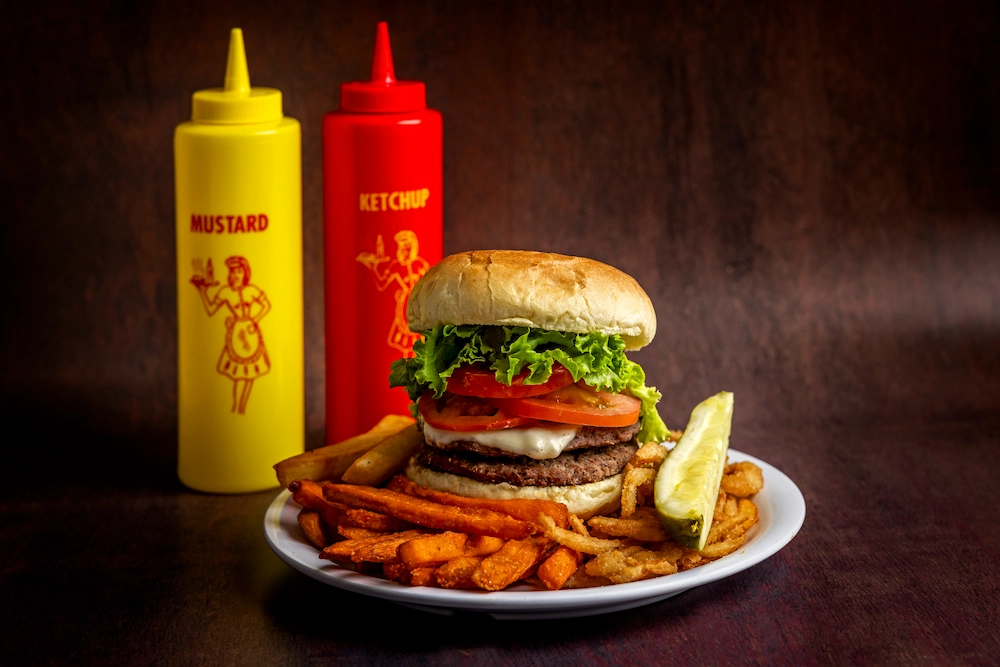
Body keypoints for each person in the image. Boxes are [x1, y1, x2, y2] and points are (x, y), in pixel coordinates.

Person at [190, 255, 271, 414]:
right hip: (236, 334)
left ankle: (242, 407)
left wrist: (254, 321)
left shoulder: (251, 290)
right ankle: (236, 407)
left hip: (250, 333)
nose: (235, 275)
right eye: (232, 272)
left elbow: (266, 305)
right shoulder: (226, 292)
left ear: (245, 273)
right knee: (238, 375)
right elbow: (211, 309)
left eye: (239, 272)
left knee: (249, 375)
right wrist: (202, 291)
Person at [356, 230, 429, 356]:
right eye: (402, 248)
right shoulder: (396, 266)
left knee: (420, 341)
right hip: (405, 307)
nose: (405, 251)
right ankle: (407, 369)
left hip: (420, 306)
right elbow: (381, 283)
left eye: (408, 248)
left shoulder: (419, 264)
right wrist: (371, 267)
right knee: (407, 343)